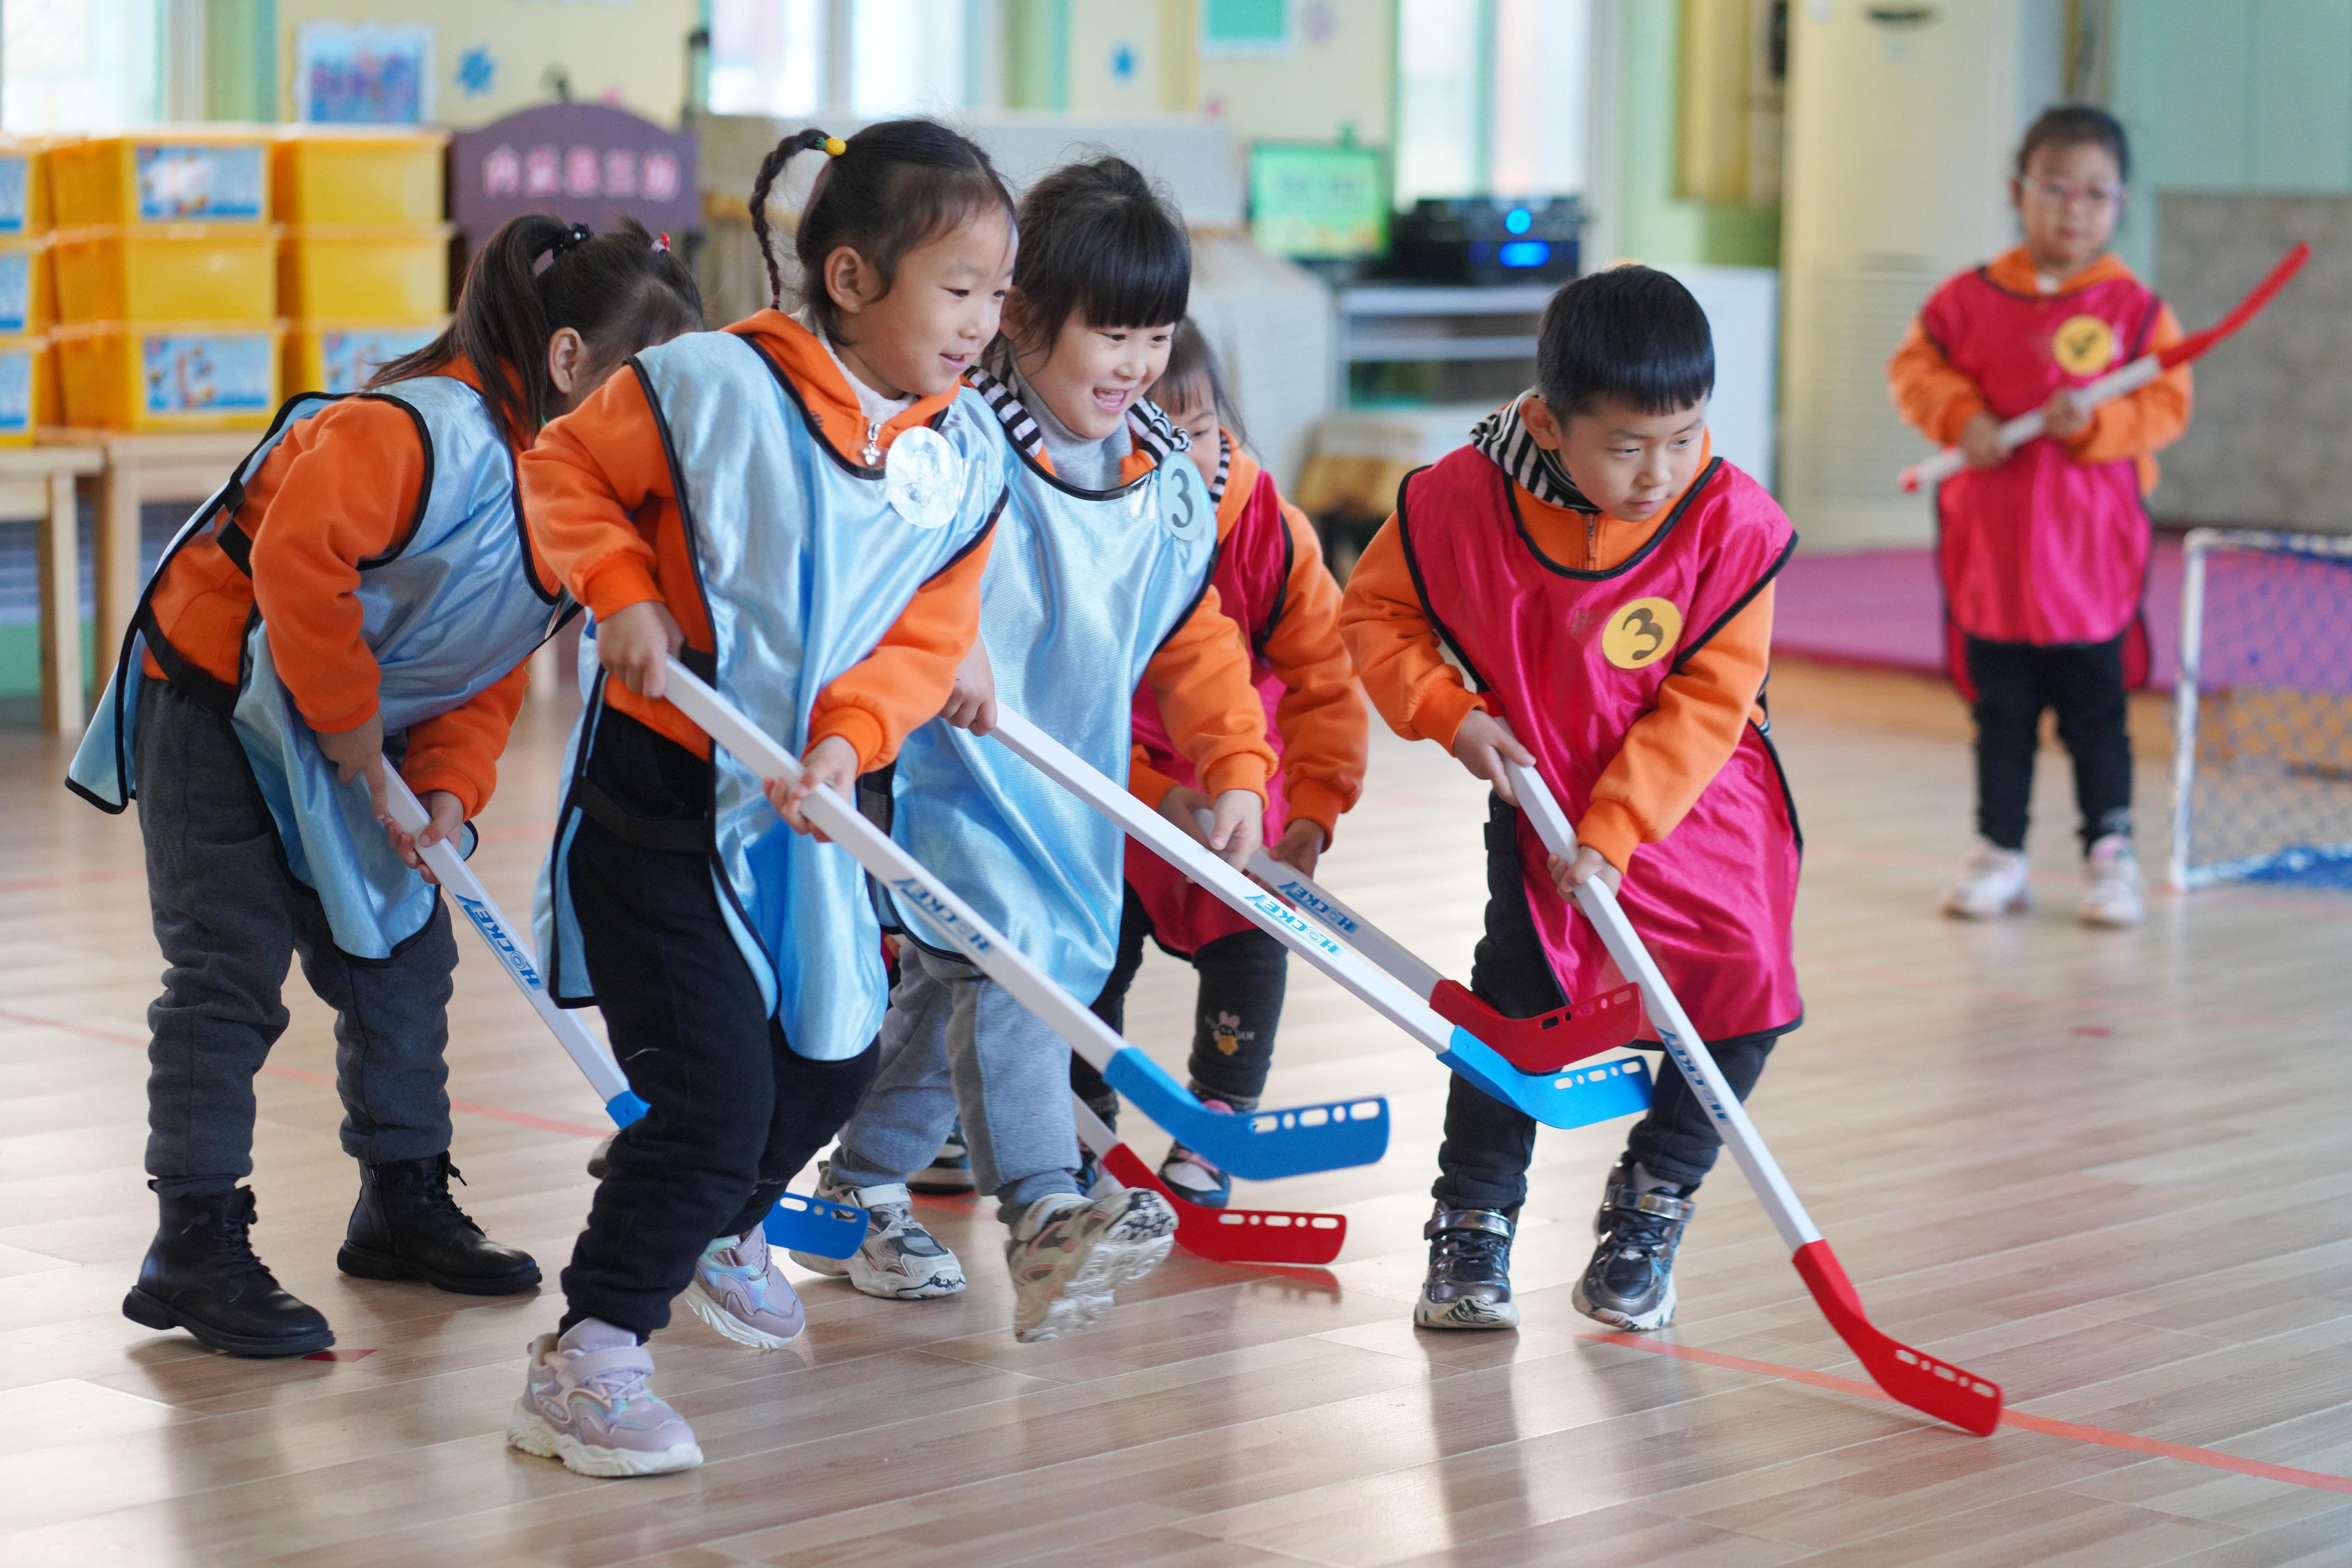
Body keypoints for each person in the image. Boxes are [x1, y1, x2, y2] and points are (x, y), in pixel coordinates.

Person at [67, 215, 701, 1362]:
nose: (662, 432)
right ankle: (193, 1241)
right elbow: (293, 561)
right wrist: (356, 738)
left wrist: (448, 790)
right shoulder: (414, 432)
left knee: (405, 954)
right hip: (216, 699)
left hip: (351, 722)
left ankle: (402, 1201)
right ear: (567, 364)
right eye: (645, 393)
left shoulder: (580, 498)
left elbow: (488, 655)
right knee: (227, 968)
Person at [510, 120, 1016, 1478]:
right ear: (850, 279)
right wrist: (616, 593)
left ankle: (715, 1225)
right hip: (660, 808)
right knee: (715, 1093)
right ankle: (591, 1352)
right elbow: (563, 470)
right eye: (957, 289)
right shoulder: (703, 384)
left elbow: (923, 632)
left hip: (813, 815)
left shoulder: (963, 461)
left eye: (997, 295)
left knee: (834, 1057)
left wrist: (853, 742)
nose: (984, 322)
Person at [812, 157, 1274, 1343]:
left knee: (949, 1005)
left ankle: (861, 1186)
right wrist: (936, 638)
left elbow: (1194, 639)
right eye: (1108, 336)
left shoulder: (1166, 479)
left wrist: (1236, 767)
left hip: (1068, 799)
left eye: (1155, 338)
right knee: (1010, 972)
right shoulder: (950, 441)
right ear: (1019, 319)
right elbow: (864, 577)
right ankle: (1043, 1210)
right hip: (942, 787)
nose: (1133, 367)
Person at [1339, 265, 1800, 1335]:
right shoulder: (1460, 501)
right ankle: (1473, 1226)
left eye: (1684, 439)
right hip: (1542, 813)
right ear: (1549, 426)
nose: (1659, 474)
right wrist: (1449, 715)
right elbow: (1376, 619)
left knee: (1740, 1005)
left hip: (1700, 812)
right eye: (1628, 447)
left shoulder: (1730, 521)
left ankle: (1651, 1206)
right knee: (1516, 1017)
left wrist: (1618, 829)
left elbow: (1711, 697)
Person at [1067, 318, 1367, 1208]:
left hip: (1242, 768)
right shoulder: (1085, 512)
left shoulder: (1271, 530)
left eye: (1196, 432)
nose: (1179, 456)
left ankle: (1217, 1121)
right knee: (1090, 949)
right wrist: (1153, 792)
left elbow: (1327, 678)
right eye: (1150, 435)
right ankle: (1079, 1122)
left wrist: (1314, 803)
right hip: (1112, 771)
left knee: (1249, 938)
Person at [1889, 102, 2192, 927]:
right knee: (2002, 718)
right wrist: (1962, 417)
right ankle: (1999, 851)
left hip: (2089, 563)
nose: (2074, 209)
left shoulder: (2133, 311)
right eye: (2055, 188)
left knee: (2098, 717)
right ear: (2019, 192)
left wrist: (2097, 425)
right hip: (1991, 560)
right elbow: (1914, 368)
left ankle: (2110, 854)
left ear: (2121, 204)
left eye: (2096, 193)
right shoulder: (1968, 299)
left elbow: (2167, 404)